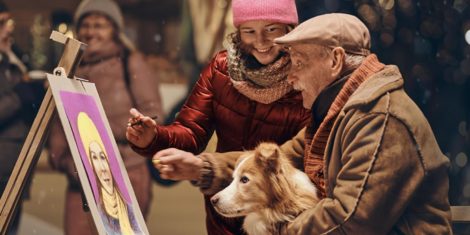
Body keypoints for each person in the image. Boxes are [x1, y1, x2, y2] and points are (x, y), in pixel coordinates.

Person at [153, 13, 452, 234]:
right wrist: (202, 168)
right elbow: (272, 162)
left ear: (335, 61)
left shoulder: (379, 119)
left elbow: (350, 220)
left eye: (298, 63)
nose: (291, 77)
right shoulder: (336, 113)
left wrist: (278, 230)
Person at [126, 0, 310, 234]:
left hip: (279, 219)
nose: (261, 41)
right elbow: (191, 130)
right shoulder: (221, 68)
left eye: (271, 29)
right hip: (223, 210)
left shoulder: (306, 76)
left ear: (289, 29)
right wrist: (154, 137)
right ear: (238, 32)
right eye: (249, 31)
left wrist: (205, 168)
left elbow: (299, 155)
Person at [48, 0, 163, 234]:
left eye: (99, 25)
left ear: (114, 29)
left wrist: (100, 129)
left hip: (125, 172)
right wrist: (62, 158)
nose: (91, 32)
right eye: (86, 25)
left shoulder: (131, 62)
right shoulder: (68, 67)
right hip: (79, 177)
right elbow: (60, 121)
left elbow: (153, 114)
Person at [0, 1, 43, 234]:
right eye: (1, 23)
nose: (8, 29)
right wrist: (19, 97)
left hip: (12, 173)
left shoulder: (12, 61)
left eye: (9, 22)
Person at [77, 112, 142, 235]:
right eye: (94, 158)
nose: (102, 168)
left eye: (103, 157)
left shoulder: (128, 210)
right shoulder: (97, 210)